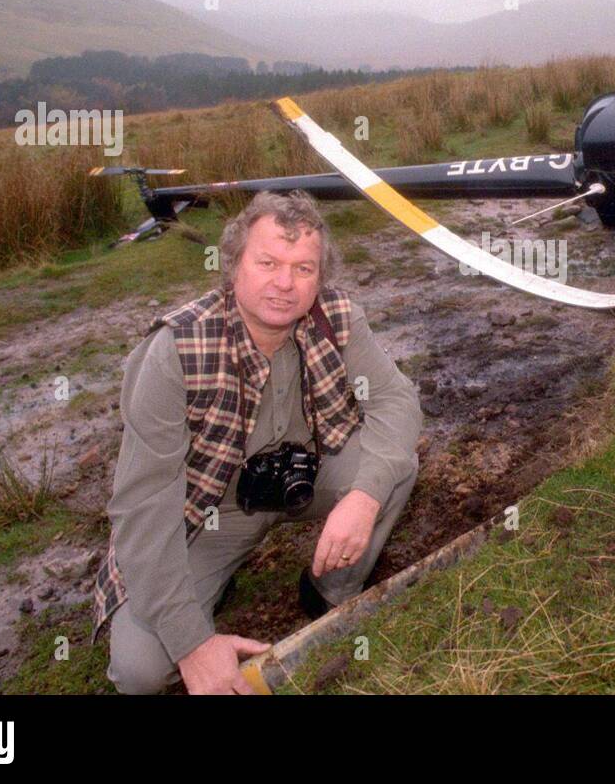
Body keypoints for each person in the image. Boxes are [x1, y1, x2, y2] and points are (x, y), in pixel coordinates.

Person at [91, 190, 422, 694]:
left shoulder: (337, 318)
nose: (285, 283)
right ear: (234, 266)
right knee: (140, 670)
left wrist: (363, 495)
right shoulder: (175, 351)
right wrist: (192, 646)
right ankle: (200, 596)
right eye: (267, 262)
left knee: (393, 469)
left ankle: (331, 592)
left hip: (303, 480)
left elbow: (396, 402)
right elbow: (144, 504)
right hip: (206, 514)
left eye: (304, 268)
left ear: (320, 276)